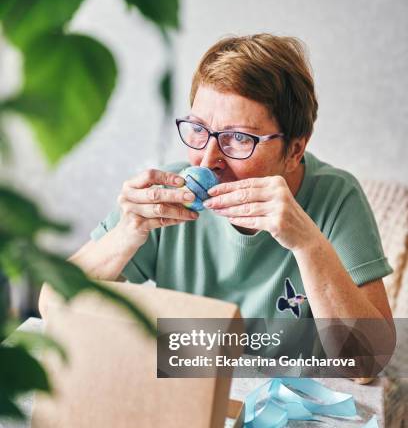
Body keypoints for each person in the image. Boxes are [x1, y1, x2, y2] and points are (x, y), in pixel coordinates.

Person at [38, 34, 395, 374]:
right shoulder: (165, 192)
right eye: (198, 129)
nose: (207, 160)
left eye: (238, 138)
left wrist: (307, 243)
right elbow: (53, 305)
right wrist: (127, 232)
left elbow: (367, 364)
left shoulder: (337, 197)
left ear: (295, 149)